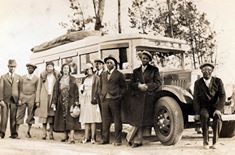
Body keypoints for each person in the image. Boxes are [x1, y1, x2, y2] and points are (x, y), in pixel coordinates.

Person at [128, 51, 161, 148]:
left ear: (149, 60)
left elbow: (158, 83)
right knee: (138, 119)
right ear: (141, 59)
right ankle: (137, 139)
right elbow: (131, 84)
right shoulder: (136, 71)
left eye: (147, 58)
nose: (145, 60)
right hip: (138, 98)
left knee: (145, 119)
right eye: (143, 58)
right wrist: (138, 86)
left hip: (149, 98)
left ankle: (140, 138)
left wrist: (147, 86)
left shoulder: (154, 70)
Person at [193, 62, 226, 149]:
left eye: (209, 70)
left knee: (218, 119)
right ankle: (205, 142)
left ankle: (215, 143)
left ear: (212, 71)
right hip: (205, 107)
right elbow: (195, 98)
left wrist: (219, 109)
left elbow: (223, 96)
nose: (206, 72)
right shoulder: (197, 83)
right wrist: (197, 113)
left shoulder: (218, 81)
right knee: (204, 116)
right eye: (204, 70)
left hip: (215, 107)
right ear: (201, 71)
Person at [99, 56, 126, 146]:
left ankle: (118, 140)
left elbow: (124, 88)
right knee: (105, 120)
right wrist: (101, 94)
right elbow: (100, 86)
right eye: (107, 63)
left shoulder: (119, 74)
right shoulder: (103, 74)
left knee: (117, 120)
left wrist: (119, 96)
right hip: (105, 100)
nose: (109, 64)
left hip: (115, 100)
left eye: (111, 62)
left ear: (114, 64)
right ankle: (105, 139)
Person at [52, 64, 80, 144]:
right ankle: (65, 136)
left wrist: (76, 101)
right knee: (63, 118)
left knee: (71, 118)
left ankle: (71, 137)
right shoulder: (59, 80)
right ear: (62, 69)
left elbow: (76, 91)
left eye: (67, 68)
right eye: (64, 68)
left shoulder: (73, 79)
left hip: (70, 100)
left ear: (69, 70)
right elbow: (55, 92)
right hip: (61, 101)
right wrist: (54, 102)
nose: (65, 70)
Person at [35, 61, 60, 140]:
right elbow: (38, 88)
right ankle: (44, 133)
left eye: (51, 67)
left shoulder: (56, 76)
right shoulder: (42, 76)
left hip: (52, 97)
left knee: (51, 116)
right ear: (46, 67)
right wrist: (37, 100)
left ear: (53, 68)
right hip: (44, 98)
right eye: (48, 66)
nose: (50, 68)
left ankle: (51, 134)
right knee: (44, 117)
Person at [79, 63, 101, 144]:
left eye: (90, 69)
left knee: (93, 119)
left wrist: (95, 97)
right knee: (86, 119)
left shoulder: (97, 78)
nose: (89, 71)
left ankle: (93, 138)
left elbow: (98, 89)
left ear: (93, 69)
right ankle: (86, 137)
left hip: (93, 100)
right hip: (85, 99)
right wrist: (82, 91)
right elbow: (81, 88)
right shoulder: (84, 79)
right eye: (87, 69)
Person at [0, 59, 22, 139]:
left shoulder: (19, 77)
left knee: (13, 117)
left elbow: (21, 89)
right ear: (8, 67)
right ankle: (2, 133)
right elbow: (1, 88)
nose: (12, 68)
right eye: (11, 66)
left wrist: (19, 99)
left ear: (15, 67)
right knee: (4, 116)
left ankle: (14, 134)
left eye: (14, 67)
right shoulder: (3, 77)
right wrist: (1, 99)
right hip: (5, 100)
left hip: (14, 100)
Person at [16, 63, 39, 138]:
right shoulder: (22, 77)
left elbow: (37, 90)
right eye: (28, 68)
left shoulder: (36, 78)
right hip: (23, 96)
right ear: (27, 69)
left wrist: (36, 100)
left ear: (34, 69)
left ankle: (28, 131)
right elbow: (19, 89)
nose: (30, 69)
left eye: (31, 68)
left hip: (32, 97)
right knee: (20, 114)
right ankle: (16, 132)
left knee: (30, 115)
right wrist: (19, 99)